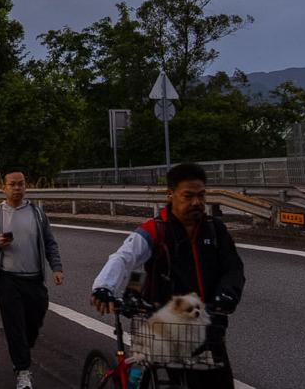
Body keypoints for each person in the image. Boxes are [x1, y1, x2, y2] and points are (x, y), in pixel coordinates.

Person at [90, 163, 245, 389]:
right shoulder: (157, 230)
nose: (196, 202)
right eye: (188, 196)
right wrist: (104, 287)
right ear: (170, 195)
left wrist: (226, 297)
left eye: (201, 195)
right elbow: (125, 258)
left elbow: (233, 269)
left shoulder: (216, 230)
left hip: (211, 325)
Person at [0, 171, 64, 389]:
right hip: (8, 279)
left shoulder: (37, 213)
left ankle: (23, 349)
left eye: (21, 184)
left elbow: (49, 242)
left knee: (35, 318)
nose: (17, 188)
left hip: (34, 278)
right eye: (12, 185)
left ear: (26, 187)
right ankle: (23, 370)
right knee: (14, 324)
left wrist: (56, 267)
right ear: (4, 188)